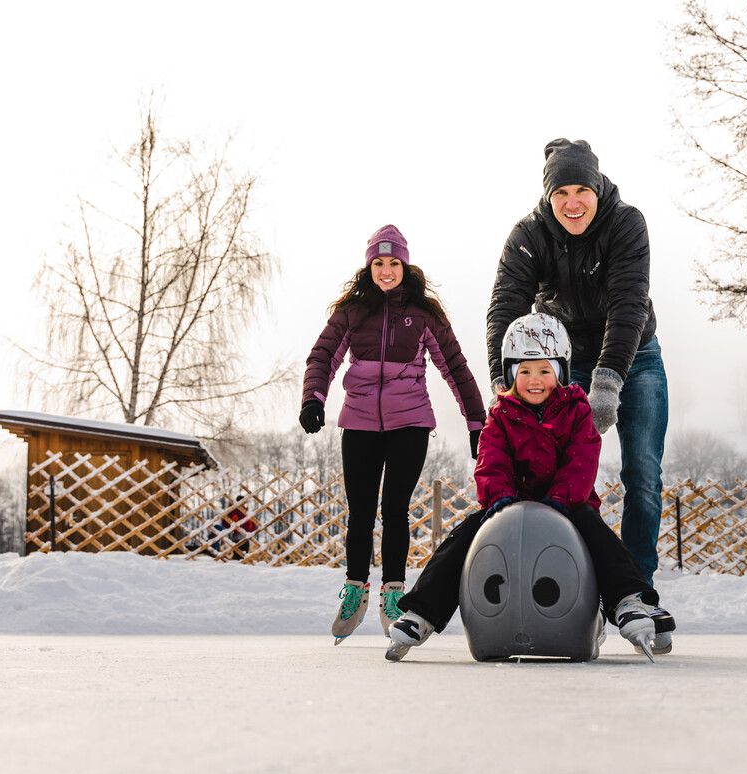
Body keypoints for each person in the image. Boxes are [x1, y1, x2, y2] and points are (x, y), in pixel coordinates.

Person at [485, 138, 675, 654]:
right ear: (549, 197)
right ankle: (579, 589)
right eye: (562, 193)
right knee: (560, 477)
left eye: (582, 191)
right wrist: (505, 386)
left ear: (597, 188)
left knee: (643, 474)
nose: (573, 203)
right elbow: (505, 306)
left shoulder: (626, 223)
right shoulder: (528, 236)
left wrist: (609, 380)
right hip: (562, 360)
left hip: (635, 355)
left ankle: (637, 593)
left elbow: (629, 305)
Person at [385, 313, 665, 662]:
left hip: (569, 505)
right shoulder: (500, 415)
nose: (535, 380)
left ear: (560, 372)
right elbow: (491, 462)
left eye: (544, 371)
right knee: (464, 536)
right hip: (510, 504)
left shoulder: (577, 412)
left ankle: (628, 600)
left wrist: (560, 502)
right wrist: (500, 498)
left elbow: (582, 461)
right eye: (525, 371)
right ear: (510, 374)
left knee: (598, 535)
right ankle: (421, 612)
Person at [300, 224, 487, 644]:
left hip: (411, 423)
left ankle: (393, 594)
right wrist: (314, 397)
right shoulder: (351, 311)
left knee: (396, 509)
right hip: (360, 422)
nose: (387, 270)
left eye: (394, 263)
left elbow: (456, 368)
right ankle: (355, 589)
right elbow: (324, 354)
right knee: (360, 511)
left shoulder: (424, 315)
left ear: (406, 265)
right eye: (379, 263)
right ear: (369, 267)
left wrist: (477, 423)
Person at [218, 494, 257, 562]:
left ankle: (240, 566)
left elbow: (250, 522)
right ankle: (238, 566)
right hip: (238, 535)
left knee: (243, 554)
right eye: (243, 501)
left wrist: (251, 529)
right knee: (239, 554)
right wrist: (234, 528)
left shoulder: (243, 511)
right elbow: (228, 521)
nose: (244, 503)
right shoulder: (235, 510)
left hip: (245, 535)